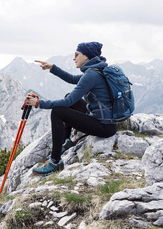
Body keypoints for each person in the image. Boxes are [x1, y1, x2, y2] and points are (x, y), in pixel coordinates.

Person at [26, 42, 117, 176]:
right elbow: (72, 79)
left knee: (58, 111)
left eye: (76, 55)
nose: (74, 58)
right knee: (69, 98)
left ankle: (55, 162)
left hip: (104, 127)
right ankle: (66, 141)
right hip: (106, 120)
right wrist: (53, 68)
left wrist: (39, 103)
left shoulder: (92, 75)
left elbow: (67, 102)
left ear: (86, 57)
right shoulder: (98, 70)